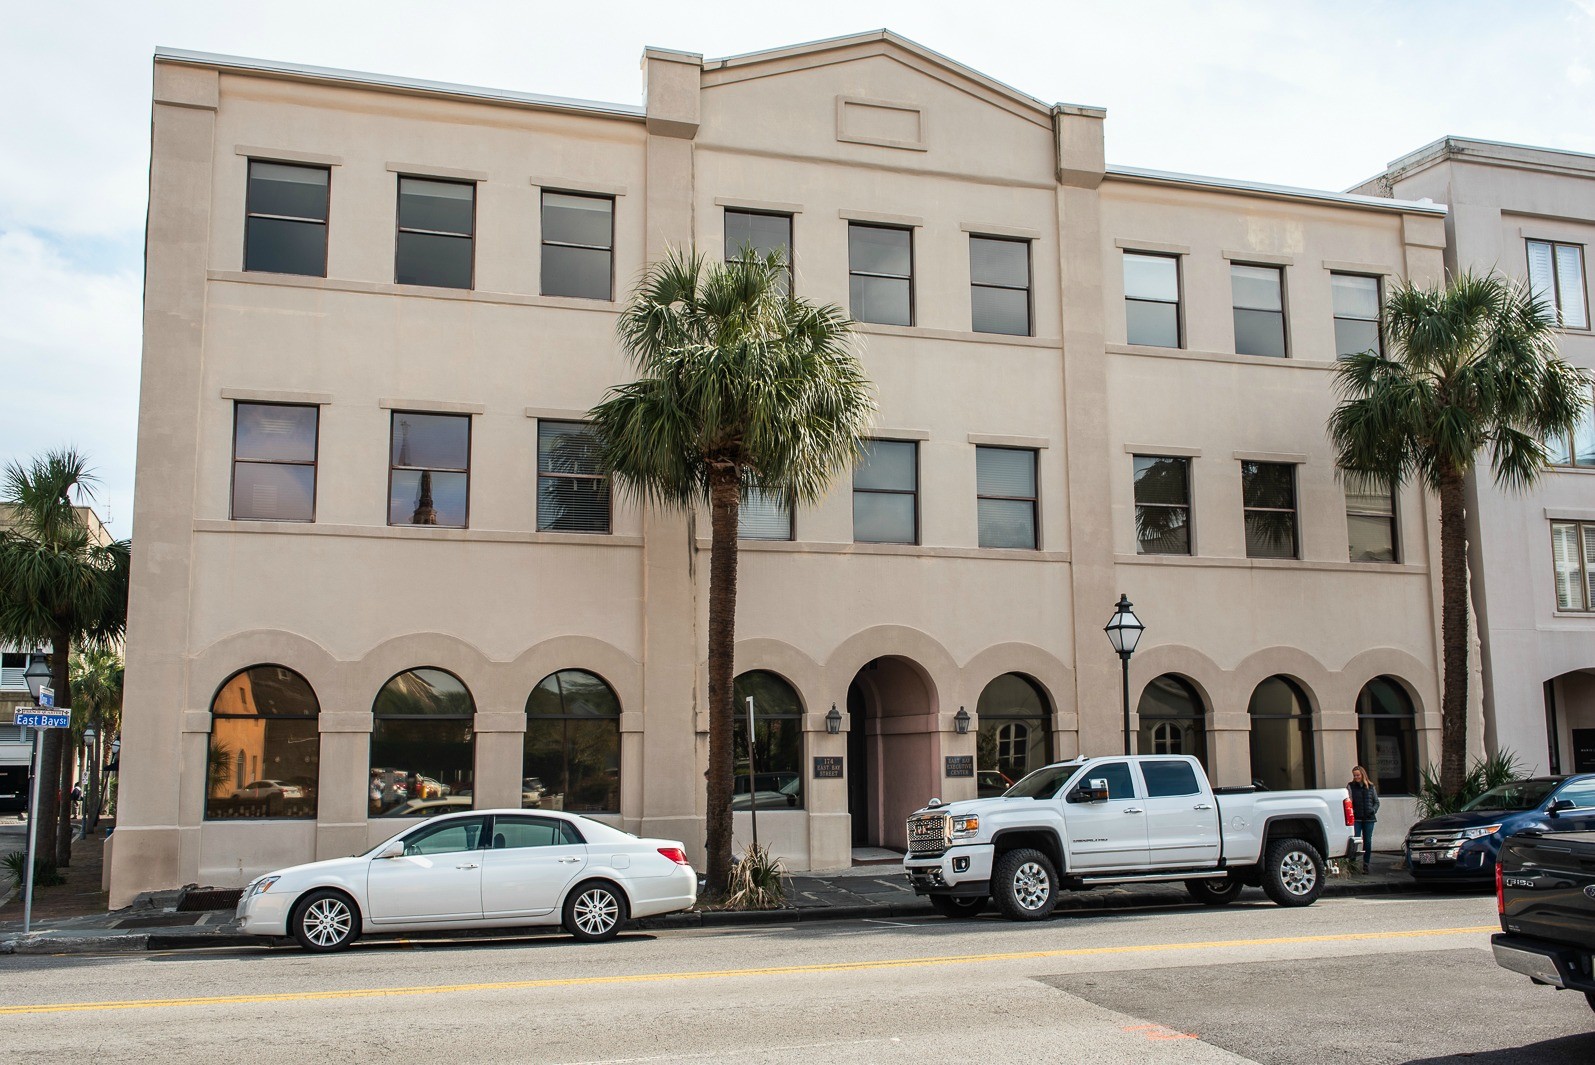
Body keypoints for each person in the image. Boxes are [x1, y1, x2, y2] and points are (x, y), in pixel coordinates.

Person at [1348, 765, 1379, 873]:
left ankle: (1366, 864)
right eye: (1354, 775)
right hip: (1357, 818)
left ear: (1362, 774)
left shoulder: (1370, 786)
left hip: (1369, 818)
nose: (1356, 777)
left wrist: (1373, 810)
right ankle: (1352, 864)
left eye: (1358, 775)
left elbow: (1376, 802)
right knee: (1355, 840)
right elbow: (1349, 801)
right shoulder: (1351, 786)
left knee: (1367, 841)